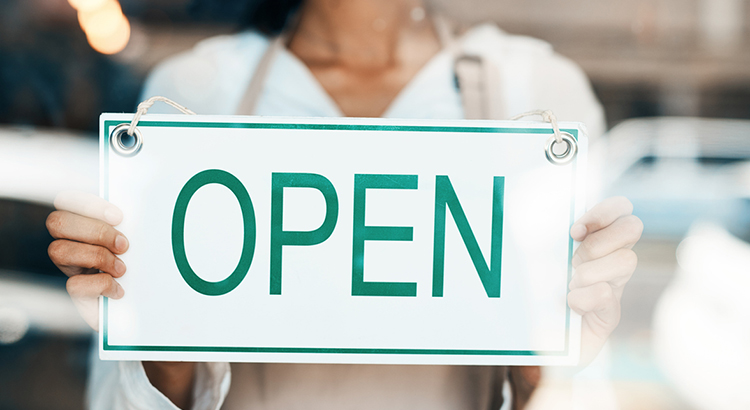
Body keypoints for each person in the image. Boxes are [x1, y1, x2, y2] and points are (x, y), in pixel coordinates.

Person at [45, 0, 643, 409]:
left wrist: (554, 354)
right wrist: (158, 341)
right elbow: (122, 397)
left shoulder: (536, 90)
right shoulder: (196, 91)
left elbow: (572, 386)